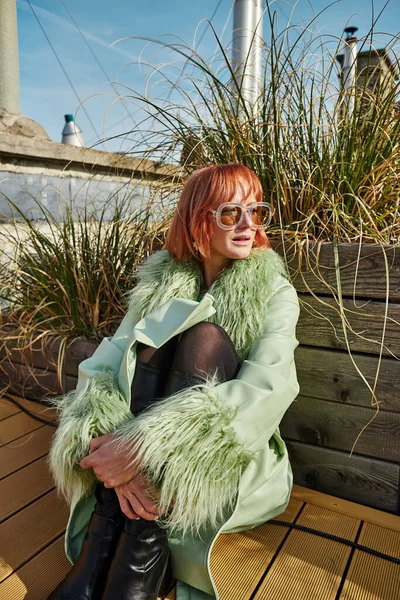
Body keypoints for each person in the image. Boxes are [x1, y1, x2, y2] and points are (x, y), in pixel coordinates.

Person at [48, 163, 300, 600]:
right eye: (229, 213)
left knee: (204, 336)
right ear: (198, 218)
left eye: (256, 211)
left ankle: (136, 566)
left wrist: (150, 450)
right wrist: (117, 451)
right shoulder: (161, 283)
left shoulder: (273, 291)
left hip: (225, 455)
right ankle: (103, 556)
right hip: (143, 448)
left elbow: (270, 387)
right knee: (156, 336)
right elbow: (107, 364)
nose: (246, 224)